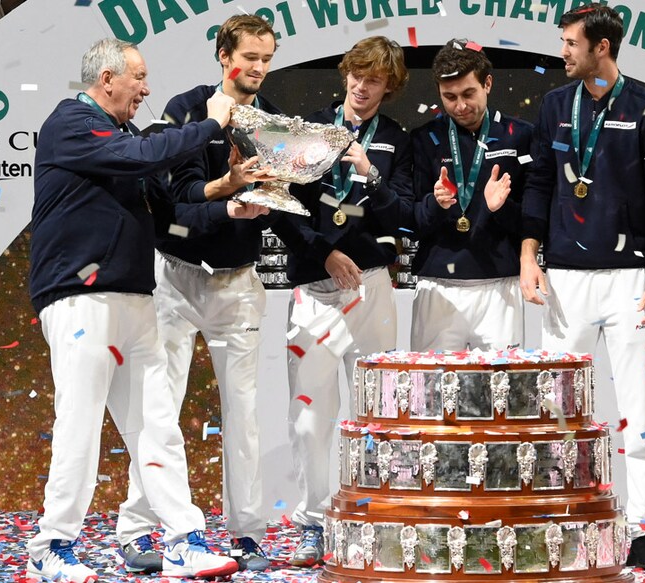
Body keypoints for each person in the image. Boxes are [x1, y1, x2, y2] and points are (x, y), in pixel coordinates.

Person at [25, 38, 239, 582]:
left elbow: (172, 219)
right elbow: (148, 154)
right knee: (80, 423)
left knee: (157, 425)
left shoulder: (120, 139)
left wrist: (232, 205)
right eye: (139, 78)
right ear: (106, 79)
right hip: (80, 297)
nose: (146, 89)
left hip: (135, 297)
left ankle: (182, 541)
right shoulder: (70, 123)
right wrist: (210, 124)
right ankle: (51, 546)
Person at [114, 14, 289, 573]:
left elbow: (278, 196)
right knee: (157, 408)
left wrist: (269, 197)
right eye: (250, 58)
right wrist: (229, 192)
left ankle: (247, 534)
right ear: (223, 55)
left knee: (245, 411)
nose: (258, 68)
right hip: (177, 274)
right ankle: (139, 529)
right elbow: (178, 193)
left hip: (239, 281)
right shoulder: (189, 109)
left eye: (266, 59)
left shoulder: (272, 122)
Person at [519, 3, 645, 570]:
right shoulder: (554, 105)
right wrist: (528, 255)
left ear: (602, 48)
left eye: (570, 43)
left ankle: (643, 531)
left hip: (631, 279)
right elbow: (538, 182)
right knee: (554, 411)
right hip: (564, 277)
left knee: (638, 413)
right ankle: (555, 521)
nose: (562, 51)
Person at [283, 35, 413, 566]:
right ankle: (313, 522)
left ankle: (372, 516)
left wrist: (369, 174)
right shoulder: (307, 129)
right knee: (311, 417)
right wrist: (325, 256)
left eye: (374, 79)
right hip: (315, 289)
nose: (362, 86)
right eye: (356, 75)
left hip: (372, 287)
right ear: (344, 75)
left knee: (375, 410)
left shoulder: (396, 141)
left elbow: (402, 215)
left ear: (390, 86)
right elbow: (282, 206)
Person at [408, 39, 533, 351]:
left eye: (468, 94)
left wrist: (500, 208)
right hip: (437, 287)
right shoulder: (424, 139)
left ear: (487, 83)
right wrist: (434, 205)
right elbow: (411, 221)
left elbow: (533, 221)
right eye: (449, 97)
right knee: (433, 395)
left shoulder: (520, 136)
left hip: (500, 286)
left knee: (500, 395)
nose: (460, 106)